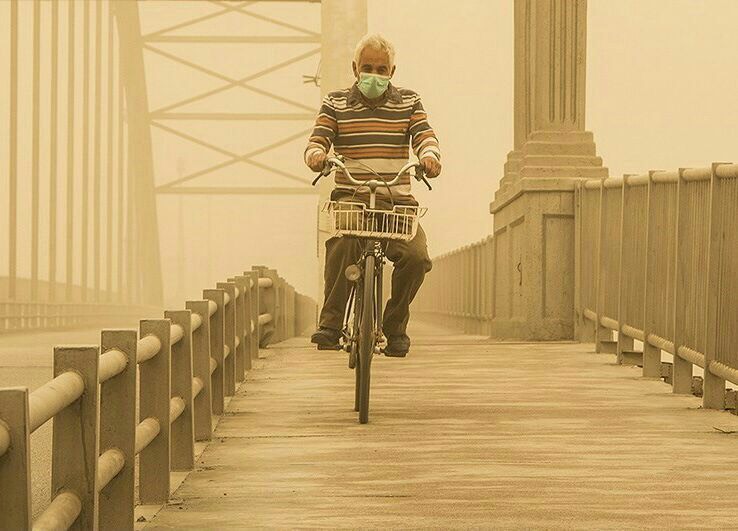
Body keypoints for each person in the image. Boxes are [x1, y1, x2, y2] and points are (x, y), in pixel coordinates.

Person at [304, 34, 442, 357]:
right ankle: (332, 325)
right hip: (352, 197)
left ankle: (395, 328)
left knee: (417, 257)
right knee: (342, 245)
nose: (374, 75)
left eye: (381, 69)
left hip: (397, 204)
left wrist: (430, 157)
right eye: (367, 67)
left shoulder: (409, 102)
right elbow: (318, 138)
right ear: (355, 68)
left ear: (392, 71)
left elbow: (424, 135)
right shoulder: (335, 103)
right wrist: (316, 154)